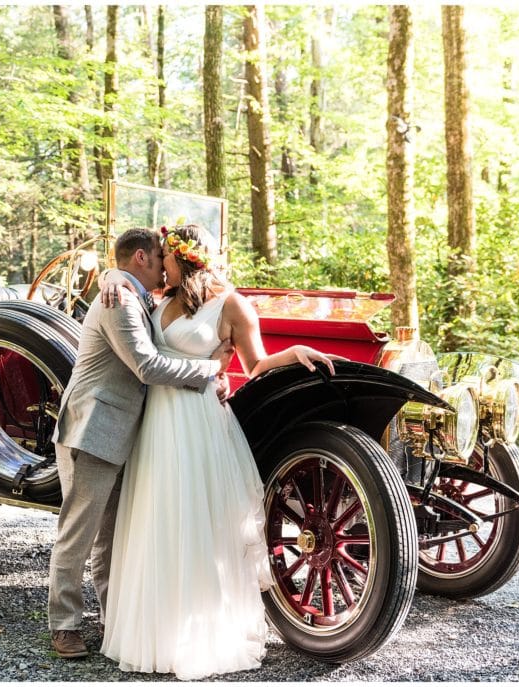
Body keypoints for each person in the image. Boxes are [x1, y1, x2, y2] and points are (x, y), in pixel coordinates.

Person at [98, 224, 342, 680]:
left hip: (199, 425)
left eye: (164, 255)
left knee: (199, 525)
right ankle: (154, 634)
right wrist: (110, 276)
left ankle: (198, 636)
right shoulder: (159, 300)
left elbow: (255, 364)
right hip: (155, 425)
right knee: (158, 522)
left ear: (182, 257)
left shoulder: (231, 305)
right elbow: (129, 301)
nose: (157, 263)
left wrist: (295, 353)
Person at [46, 227, 233, 660]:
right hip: (93, 428)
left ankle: (116, 621)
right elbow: (146, 366)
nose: (166, 264)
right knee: (78, 533)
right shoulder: (120, 300)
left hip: (125, 431)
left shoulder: (135, 293)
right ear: (142, 259)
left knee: (109, 538)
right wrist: (209, 371)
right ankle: (64, 625)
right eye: (161, 256)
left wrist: (112, 273)